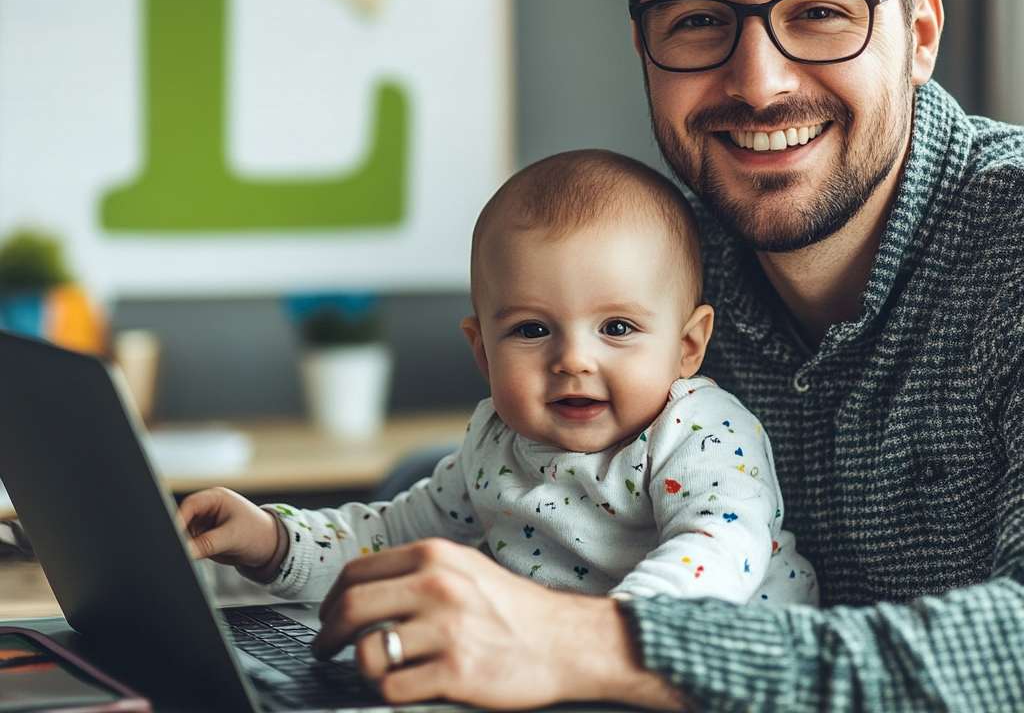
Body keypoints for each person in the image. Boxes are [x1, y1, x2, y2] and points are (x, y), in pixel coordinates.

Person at [273, 0, 1024, 712]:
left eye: (822, 10)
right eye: (699, 20)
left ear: (918, 34)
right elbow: (516, 477)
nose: (758, 83)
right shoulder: (668, 243)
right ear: (644, 44)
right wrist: (290, 557)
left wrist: (592, 643)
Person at [181, 150, 817, 610]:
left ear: (686, 347)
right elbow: (388, 539)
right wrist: (271, 542)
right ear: (482, 352)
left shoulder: (699, 432)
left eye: (617, 328)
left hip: (724, 677)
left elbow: (720, 545)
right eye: (533, 331)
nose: (574, 360)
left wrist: (602, 637)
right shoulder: (494, 447)